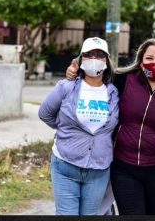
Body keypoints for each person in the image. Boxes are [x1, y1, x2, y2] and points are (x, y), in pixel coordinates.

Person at [66, 38, 155, 215]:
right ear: (140, 60)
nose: (154, 63)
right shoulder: (123, 79)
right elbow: (92, 82)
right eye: (149, 58)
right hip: (124, 167)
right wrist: (73, 73)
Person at [38, 37, 119, 215]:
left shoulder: (113, 92)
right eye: (89, 55)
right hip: (65, 164)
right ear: (80, 59)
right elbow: (44, 113)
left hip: (99, 169)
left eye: (99, 55)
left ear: (106, 60)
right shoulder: (66, 87)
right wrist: (65, 131)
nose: (94, 59)